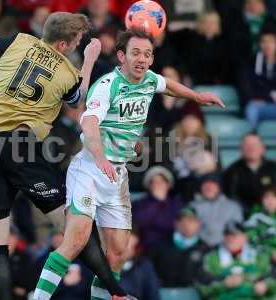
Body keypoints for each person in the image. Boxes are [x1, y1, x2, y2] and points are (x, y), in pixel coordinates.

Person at [0, 12, 130, 300]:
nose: (78, 46)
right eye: (77, 42)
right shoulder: (68, 72)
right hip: (20, 147)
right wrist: (92, 58)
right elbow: (77, 98)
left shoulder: (16, 41)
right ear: (63, 45)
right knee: (73, 226)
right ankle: (117, 292)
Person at [34, 29, 224, 300]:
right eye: (136, 53)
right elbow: (88, 123)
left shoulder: (148, 80)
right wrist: (100, 158)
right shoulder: (108, 84)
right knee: (76, 240)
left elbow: (168, 85)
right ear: (122, 56)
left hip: (117, 173)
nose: (142, 59)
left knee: (118, 253)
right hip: (89, 168)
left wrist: (196, 96)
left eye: (147, 54)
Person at [197, 221, 276, 300]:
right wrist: (224, 284)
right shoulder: (211, 258)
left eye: (235, 235)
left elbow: (273, 279)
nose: (231, 239)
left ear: (244, 237)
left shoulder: (260, 256)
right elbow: (202, 287)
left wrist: (266, 285)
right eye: (227, 235)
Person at [190, 173, 243, 247]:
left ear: (219, 188)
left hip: (225, 247)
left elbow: (237, 231)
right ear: (200, 187)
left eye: (213, 185)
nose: (209, 188)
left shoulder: (232, 206)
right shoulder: (192, 206)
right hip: (198, 247)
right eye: (206, 185)